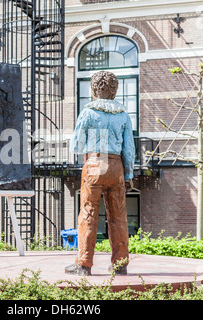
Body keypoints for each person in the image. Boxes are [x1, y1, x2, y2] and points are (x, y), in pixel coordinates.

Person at [66, 71, 135, 276]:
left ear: (95, 90)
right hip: (116, 166)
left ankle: (84, 264)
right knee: (118, 216)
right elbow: (129, 149)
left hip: (95, 163)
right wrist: (128, 174)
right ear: (115, 91)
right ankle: (120, 263)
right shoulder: (123, 115)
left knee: (88, 213)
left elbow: (76, 145)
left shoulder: (88, 112)